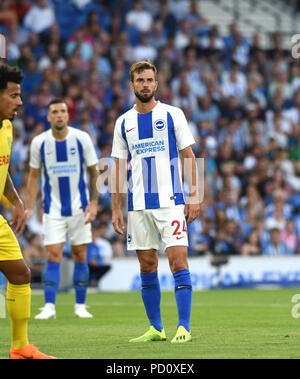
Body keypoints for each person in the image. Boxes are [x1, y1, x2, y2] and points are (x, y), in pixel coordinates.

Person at [111, 60, 200, 343]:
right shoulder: (123, 122)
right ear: (132, 85)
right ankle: (156, 328)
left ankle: (183, 327)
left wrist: (195, 195)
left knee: (178, 261)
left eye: (150, 80)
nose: (146, 84)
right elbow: (116, 167)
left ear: (156, 84)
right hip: (138, 205)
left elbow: (189, 156)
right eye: (140, 81)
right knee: (147, 265)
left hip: (171, 201)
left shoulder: (173, 114)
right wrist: (115, 207)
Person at [0, 64, 55, 359]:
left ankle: (20, 348)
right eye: (13, 95)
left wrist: (16, 201)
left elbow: (3, 168)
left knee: (21, 274)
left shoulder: (7, 128)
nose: (19, 101)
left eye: (20, 95)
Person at [25, 98, 99, 319]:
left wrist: (94, 203)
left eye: (62, 111)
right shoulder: (39, 142)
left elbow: (95, 172)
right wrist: (30, 207)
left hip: (80, 208)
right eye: (54, 111)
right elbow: (34, 176)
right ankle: (49, 307)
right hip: (53, 210)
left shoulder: (81, 138)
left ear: (68, 115)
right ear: (48, 117)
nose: (59, 115)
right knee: (53, 254)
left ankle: (80, 306)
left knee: (79, 254)